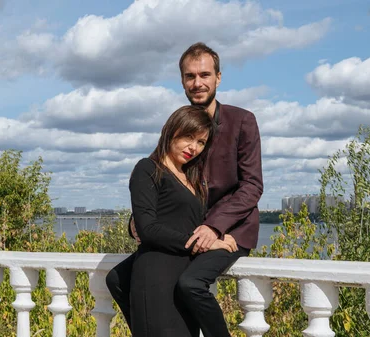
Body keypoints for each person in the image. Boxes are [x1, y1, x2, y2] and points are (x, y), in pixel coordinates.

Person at [106, 42, 264, 337]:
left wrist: (215, 228)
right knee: (117, 278)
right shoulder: (183, 123)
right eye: (190, 76)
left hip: (231, 230)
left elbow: (252, 185)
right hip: (192, 228)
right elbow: (162, 179)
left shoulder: (242, 121)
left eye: (205, 74)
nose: (198, 82)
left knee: (190, 284)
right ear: (182, 81)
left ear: (218, 77)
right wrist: (136, 221)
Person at [122, 104, 238, 337]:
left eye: (201, 142)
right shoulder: (148, 168)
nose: (193, 147)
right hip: (156, 279)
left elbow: (179, 219)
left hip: (180, 282)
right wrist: (204, 243)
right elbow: (149, 229)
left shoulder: (192, 177)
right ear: (171, 129)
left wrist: (217, 232)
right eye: (189, 137)